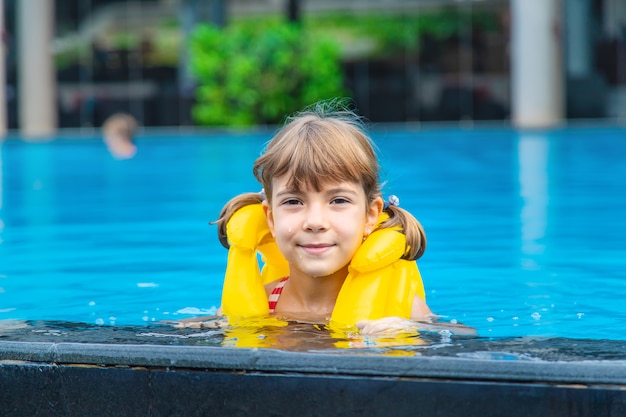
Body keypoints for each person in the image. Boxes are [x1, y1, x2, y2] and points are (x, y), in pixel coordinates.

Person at [213, 100, 436, 335]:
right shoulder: (259, 305)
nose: (315, 222)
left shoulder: (403, 309)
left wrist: (409, 330)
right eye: (293, 202)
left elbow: (464, 338)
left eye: (338, 201)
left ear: (370, 215)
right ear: (271, 219)